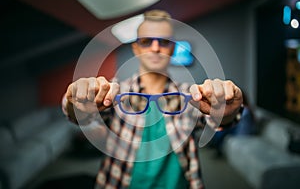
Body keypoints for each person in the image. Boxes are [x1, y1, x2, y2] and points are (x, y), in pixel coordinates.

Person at [62, 10, 243, 189]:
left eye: (164, 42)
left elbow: (220, 120)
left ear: (172, 48)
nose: (155, 48)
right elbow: (80, 116)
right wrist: (75, 103)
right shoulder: (114, 92)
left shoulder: (191, 95)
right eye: (147, 41)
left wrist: (227, 112)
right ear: (136, 48)